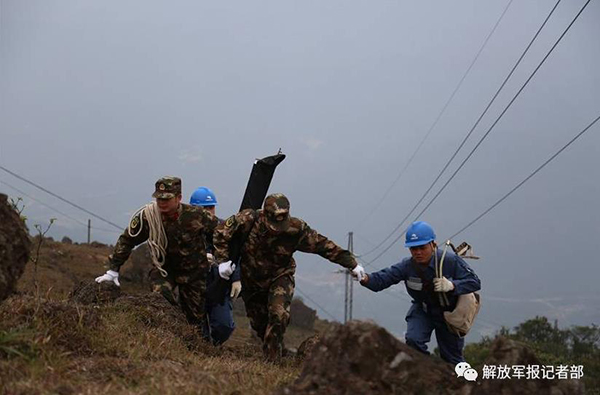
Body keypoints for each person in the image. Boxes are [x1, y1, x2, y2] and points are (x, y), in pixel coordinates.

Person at [213, 193, 365, 362]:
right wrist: (222, 261)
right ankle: (279, 353)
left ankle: (272, 364)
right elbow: (221, 232)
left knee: (278, 316)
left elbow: (324, 246)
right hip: (252, 282)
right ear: (264, 215)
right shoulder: (248, 219)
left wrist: (351, 263)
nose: (278, 229)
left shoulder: (295, 229)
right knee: (262, 327)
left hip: (280, 276)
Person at [95, 176, 222, 339]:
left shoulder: (196, 215)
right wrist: (113, 269)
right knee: (160, 298)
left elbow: (221, 234)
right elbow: (128, 239)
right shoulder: (149, 217)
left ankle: (196, 348)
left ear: (179, 198)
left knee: (195, 319)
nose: (162, 202)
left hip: (194, 273)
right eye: (159, 198)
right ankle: (166, 339)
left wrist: (221, 258)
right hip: (164, 269)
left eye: (167, 199)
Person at [359, 221, 481, 365]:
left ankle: (464, 383)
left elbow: (474, 282)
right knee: (413, 340)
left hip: (449, 313)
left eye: (422, 248)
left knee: (453, 360)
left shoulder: (450, 261)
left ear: (433, 244)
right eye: (413, 249)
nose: (417, 252)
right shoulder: (407, 266)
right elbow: (382, 280)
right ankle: (428, 372)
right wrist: (363, 277)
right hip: (423, 310)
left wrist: (452, 285)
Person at [189, 186, 240, 345]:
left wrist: (236, 279)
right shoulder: (186, 229)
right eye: (204, 208)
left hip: (218, 284)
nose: (208, 211)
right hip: (192, 286)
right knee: (198, 331)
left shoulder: (224, 228)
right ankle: (203, 353)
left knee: (224, 326)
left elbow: (235, 254)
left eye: (211, 207)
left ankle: (214, 346)